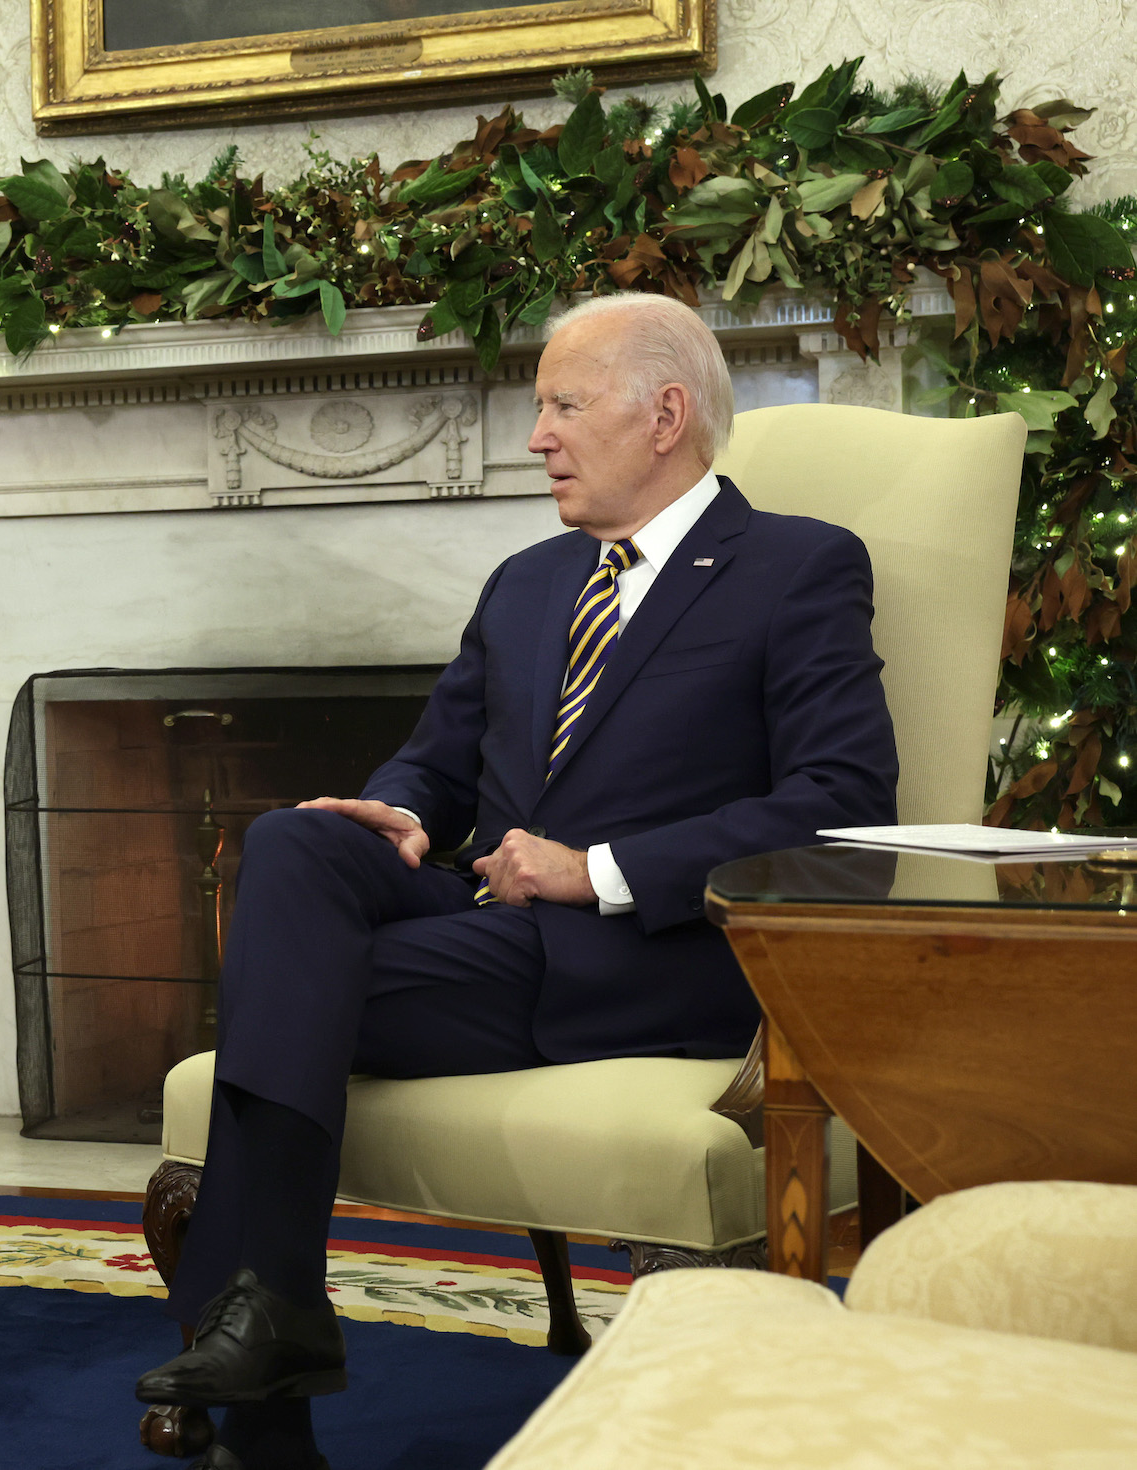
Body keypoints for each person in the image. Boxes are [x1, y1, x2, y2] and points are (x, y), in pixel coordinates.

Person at [133, 293, 900, 1470]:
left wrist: (592, 870)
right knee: (293, 842)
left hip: (649, 951)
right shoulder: (529, 581)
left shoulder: (794, 566)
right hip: (487, 923)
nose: (534, 433)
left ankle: (267, 1401)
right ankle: (274, 1325)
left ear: (663, 414)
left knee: (280, 988)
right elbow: (438, 763)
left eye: (559, 404)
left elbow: (841, 803)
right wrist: (392, 809)